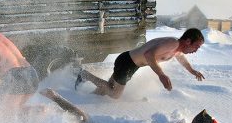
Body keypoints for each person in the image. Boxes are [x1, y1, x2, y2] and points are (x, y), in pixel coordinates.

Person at [75, 28, 205, 99]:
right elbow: (149, 55)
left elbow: (182, 59)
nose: (196, 50)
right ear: (188, 41)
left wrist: (192, 71)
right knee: (114, 95)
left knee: (104, 91)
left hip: (131, 64)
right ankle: (85, 75)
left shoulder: (177, 50)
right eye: (196, 46)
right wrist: (161, 75)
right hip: (127, 62)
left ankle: (82, 98)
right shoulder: (172, 43)